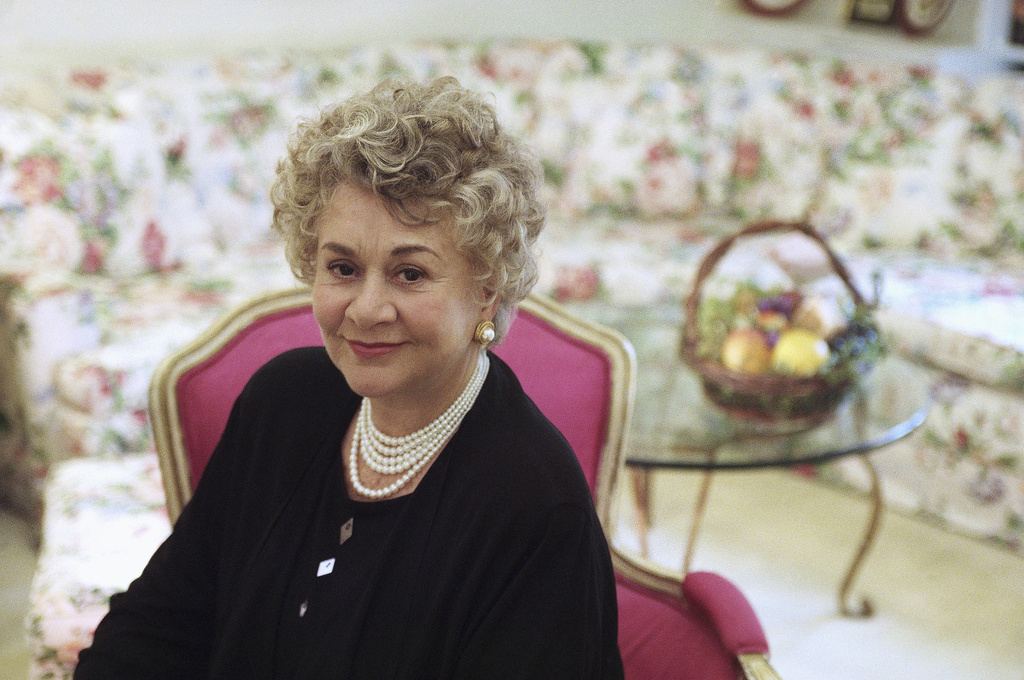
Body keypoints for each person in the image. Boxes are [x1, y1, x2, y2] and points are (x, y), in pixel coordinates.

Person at [74, 76, 624, 679]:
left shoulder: (536, 509)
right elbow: (158, 623)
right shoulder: (281, 403)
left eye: (410, 273)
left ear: (487, 291)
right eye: (342, 267)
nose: (365, 309)